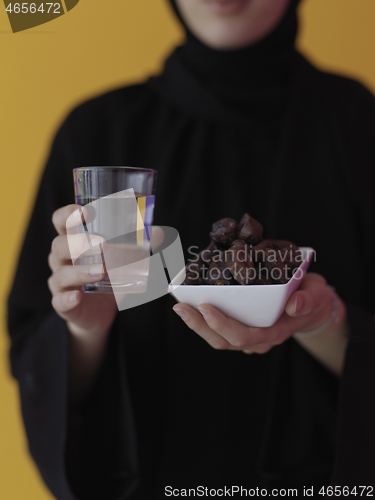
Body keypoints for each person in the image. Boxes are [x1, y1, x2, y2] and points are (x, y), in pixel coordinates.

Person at [7, 0, 375, 498]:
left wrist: (323, 319)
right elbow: (37, 367)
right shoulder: (99, 131)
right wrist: (83, 327)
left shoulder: (359, 125)